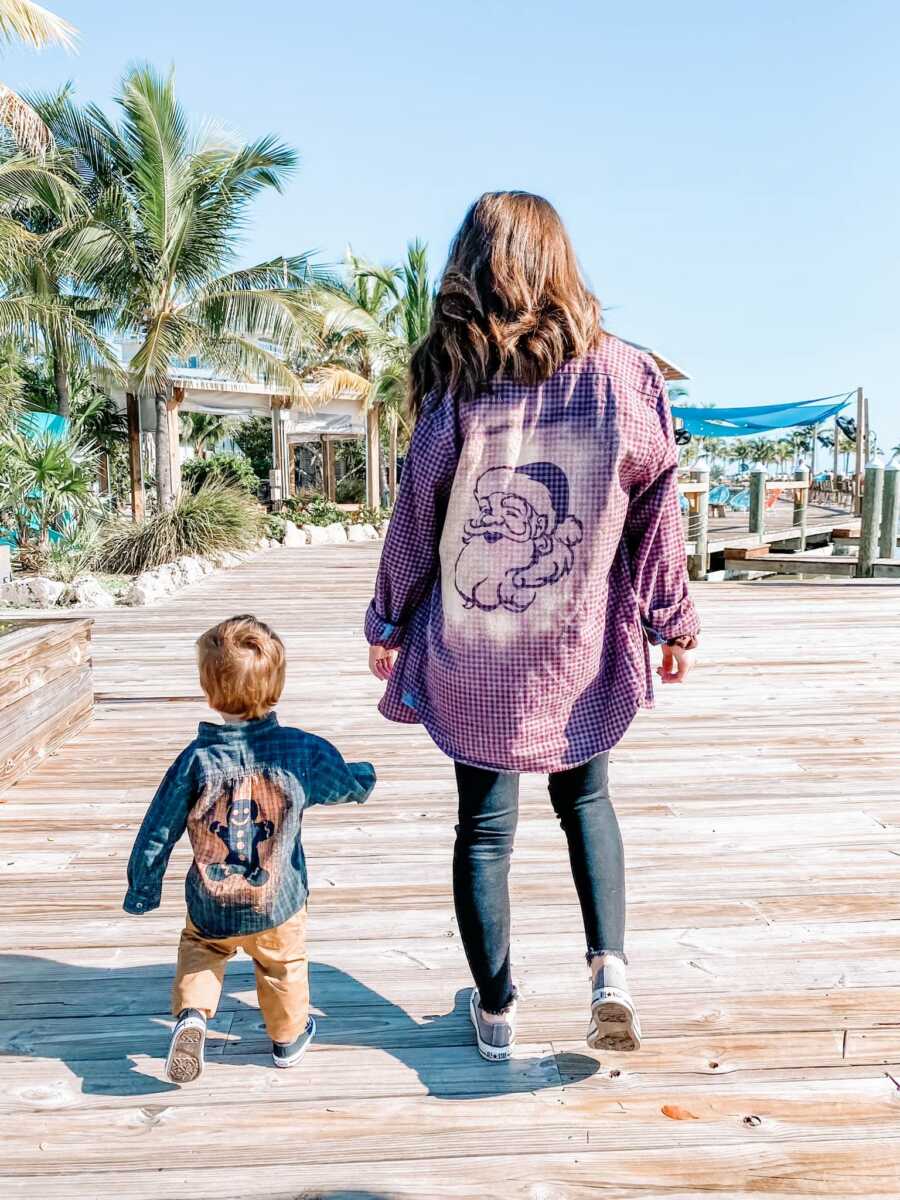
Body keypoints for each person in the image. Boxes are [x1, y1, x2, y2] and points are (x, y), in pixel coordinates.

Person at [365, 192, 698, 1061]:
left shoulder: (456, 382)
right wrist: (670, 615)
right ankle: (611, 972)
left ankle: (499, 1008)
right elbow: (659, 502)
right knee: (587, 799)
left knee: (483, 826)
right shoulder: (626, 374)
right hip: (576, 645)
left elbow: (416, 515)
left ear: (471, 268)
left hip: (475, 650)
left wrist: (388, 614)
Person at [124, 614, 375, 1082]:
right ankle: (287, 1039)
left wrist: (144, 886)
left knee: (201, 950)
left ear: (208, 690)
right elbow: (341, 782)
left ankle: (193, 1017)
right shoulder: (302, 751)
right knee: (283, 967)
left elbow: (158, 827)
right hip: (276, 902)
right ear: (277, 685)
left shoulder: (195, 760)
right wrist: (362, 780)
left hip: (210, 903)